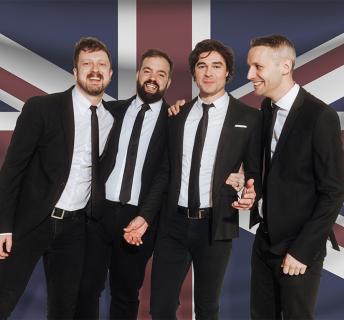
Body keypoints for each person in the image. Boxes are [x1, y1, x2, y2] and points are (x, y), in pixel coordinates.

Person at [124, 39, 262, 320]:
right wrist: (146, 216)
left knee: (207, 308)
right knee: (160, 308)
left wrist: (251, 192)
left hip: (216, 225)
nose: (208, 72)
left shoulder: (249, 118)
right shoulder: (177, 115)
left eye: (216, 66)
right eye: (202, 66)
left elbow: (256, 172)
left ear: (227, 73)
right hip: (172, 224)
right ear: (194, 73)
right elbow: (165, 172)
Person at [0, 37, 114, 318]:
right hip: (29, 222)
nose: (95, 70)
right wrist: (3, 227)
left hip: (75, 229)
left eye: (101, 64)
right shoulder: (41, 108)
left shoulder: (112, 119)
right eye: (87, 64)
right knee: (4, 297)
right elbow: (12, 169)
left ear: (111, 74)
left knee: (64, 309)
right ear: (75, 72)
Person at [246, 34, 344, 319]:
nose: (250, 75)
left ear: (285, 67)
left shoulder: (320, 116)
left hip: (299, 246)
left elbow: (334, 191)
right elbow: (272, 169)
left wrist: (302, 251)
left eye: (257, 67)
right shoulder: (266, 108)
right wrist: (251, 191)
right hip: (264, 241)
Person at [74, 49, 173, 320]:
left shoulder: (175, 121)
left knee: (126, 293)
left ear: (168, 82)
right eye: (148, 71)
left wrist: (145, 216)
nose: (153, 78)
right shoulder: (110, 110)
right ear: (139, 74)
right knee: (86, 289)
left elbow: (165, 174)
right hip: (98, 213)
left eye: (161, 74)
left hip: (139, 219)